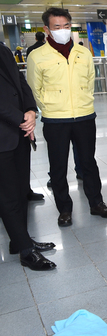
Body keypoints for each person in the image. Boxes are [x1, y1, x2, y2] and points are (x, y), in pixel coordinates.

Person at [27, 7, 107, 227]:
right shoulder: (37, 56)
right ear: (47, 29)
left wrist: (84, 101)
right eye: (57, 27)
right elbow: (33, 89)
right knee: (58, 167)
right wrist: (49, 106)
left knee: (89, 163)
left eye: (66, 26)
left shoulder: (83, 52)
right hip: (55, 119)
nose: (63, 30)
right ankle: (64, 209)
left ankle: (97, 203)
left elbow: (89, 80)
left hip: (85, 116)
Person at [0, 41, 56, 271]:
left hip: (19, 132)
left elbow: (20, 82)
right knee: (8, 195)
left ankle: (19, 239)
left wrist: (31, 110)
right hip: (6, 132)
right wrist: (22, 119)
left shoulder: (2, 48)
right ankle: (25, 251)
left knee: (21, 190)